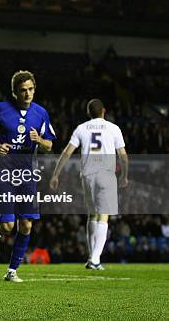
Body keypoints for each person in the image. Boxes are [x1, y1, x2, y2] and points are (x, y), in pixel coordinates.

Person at [0, 70, 55, 282]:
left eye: (30, 89)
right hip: (3, 170)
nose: (27, 94)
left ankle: (12, 271)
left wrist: (39, 140)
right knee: (7, 226)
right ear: (14, 92)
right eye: (23, 90)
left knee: (27, 224)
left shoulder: (41, 113)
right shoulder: (1, 109)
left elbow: (50, 144)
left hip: (27, 174)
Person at [50, 99, 129, 270]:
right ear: (104, 111)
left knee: (92, 215)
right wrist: (124, 175)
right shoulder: (114, 128)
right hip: (106, 174)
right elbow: (123, 155)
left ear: (88, 113)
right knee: (104, 215)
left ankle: (92, 258)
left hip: (87, 175)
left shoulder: (82, 128)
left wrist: (56, 174)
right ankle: (95, 259)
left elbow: (67, 152)